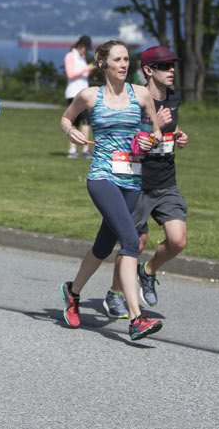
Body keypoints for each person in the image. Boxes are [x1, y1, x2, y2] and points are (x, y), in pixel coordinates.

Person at [59, 39, 165, 341]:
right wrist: (72, 131)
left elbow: (155, 131)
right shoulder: (90, 96)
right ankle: (136, 318)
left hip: (131, 178)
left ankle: (72, 291)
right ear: (102, 62)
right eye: (117, 59)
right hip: (102, 177)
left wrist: (151, 141)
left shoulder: (142, 95)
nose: (124, 64)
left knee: (104, 246)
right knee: (131, 241)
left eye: (127, 59)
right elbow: (66, 118)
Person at [103, 46, 189, 317]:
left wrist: (177, 134)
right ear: (149, 71)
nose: (171, 70)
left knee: (178, 241)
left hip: (166, 181)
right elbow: (127, 138)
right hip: (138, 181)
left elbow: (169, 128)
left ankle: (148, 271)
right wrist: (153, 126)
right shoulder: (134, 98)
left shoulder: (173, 98)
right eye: (165, 66)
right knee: (134, 243)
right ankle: (115, 294)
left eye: (172, 65)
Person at [64, 35, 95, 158]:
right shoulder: (70, 56)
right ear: (80, 46)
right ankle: (84, 148)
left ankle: (73, 150)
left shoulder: (82, 58)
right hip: (74, 93)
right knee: (85, 120)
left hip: (82, 92)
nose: (85, 51)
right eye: (85, 48)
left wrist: (90, 69)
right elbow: (70, 74)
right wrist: (87, 68)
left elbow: (84, 75)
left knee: (77, 121)